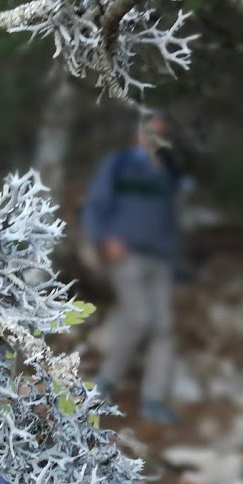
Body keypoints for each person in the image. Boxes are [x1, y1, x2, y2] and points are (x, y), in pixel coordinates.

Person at [80, 111, 188, 425]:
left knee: (164, 328)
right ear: (139, 134)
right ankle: (105, 383)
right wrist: (104, 239)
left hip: (160, 258)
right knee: (140, 318)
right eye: (149, 132)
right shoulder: (118, 165)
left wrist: (178, 259)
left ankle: (154, 400)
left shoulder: (168, 173)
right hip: (127, 255)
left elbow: (173, 218)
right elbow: (94, 207)